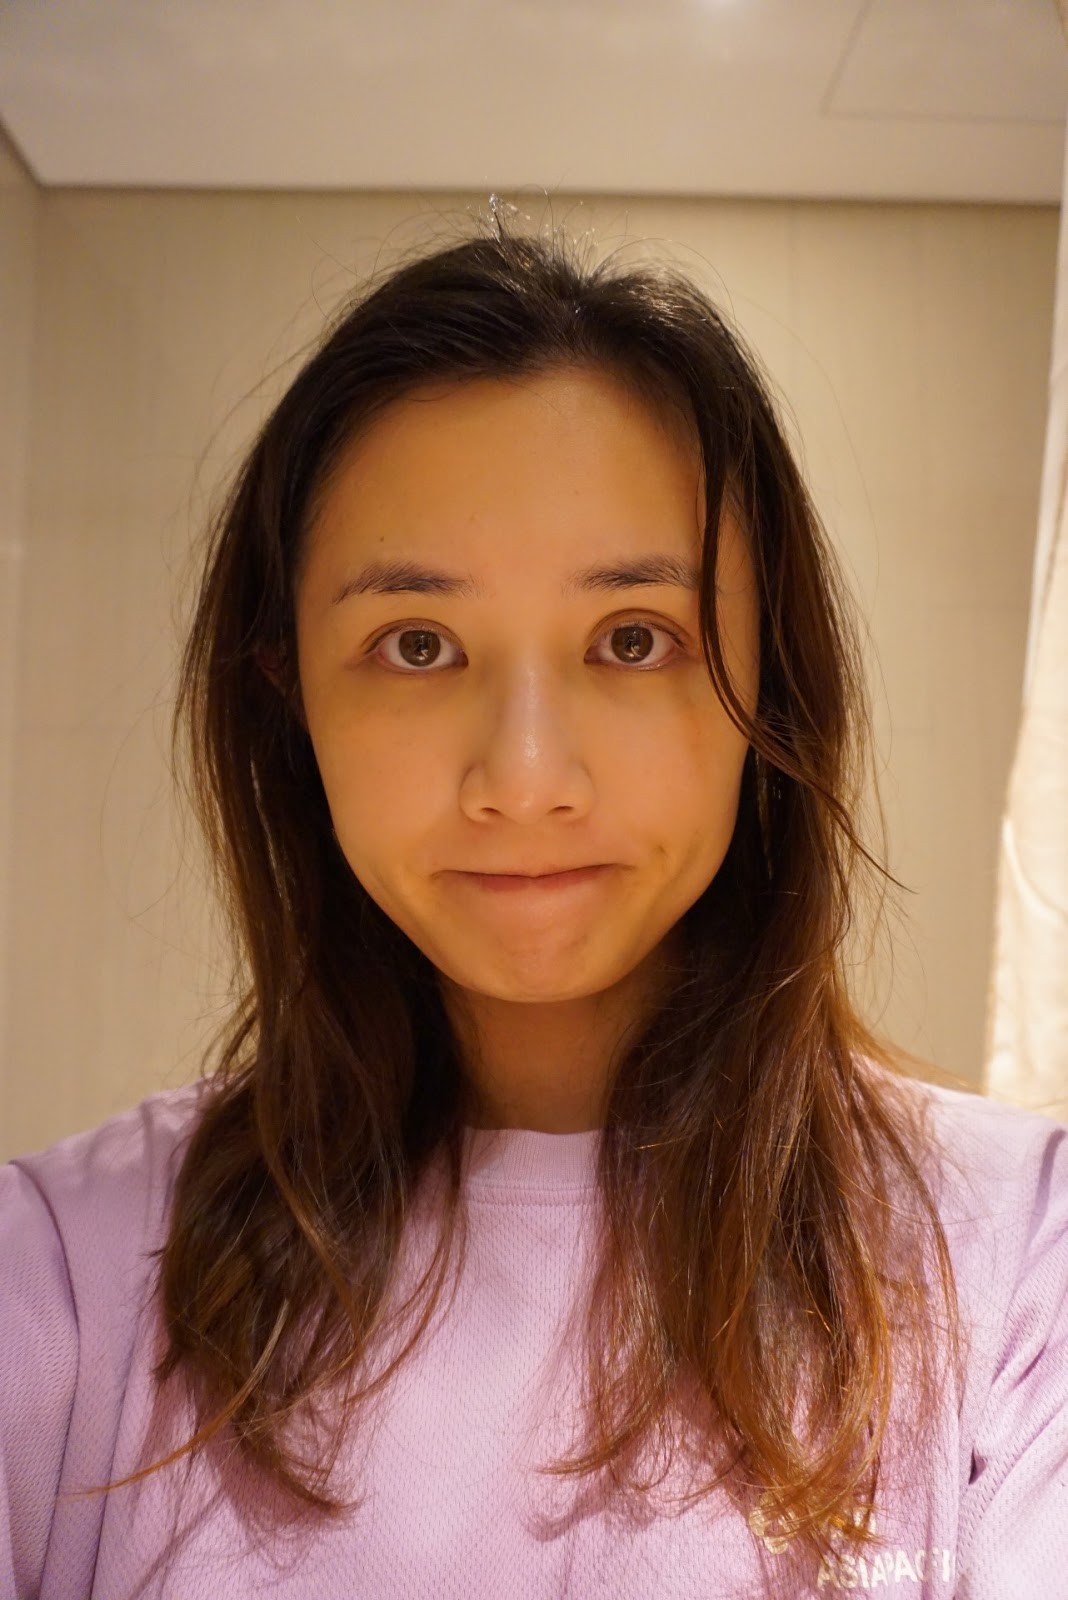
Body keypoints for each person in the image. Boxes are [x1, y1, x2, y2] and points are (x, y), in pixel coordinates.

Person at [2, 215, 1067, 1600]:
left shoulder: (1018, 1261)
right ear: (289, 695)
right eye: (417, 645)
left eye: (632, 639)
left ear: (771, 688)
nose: (524, 780)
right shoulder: (64, 1274)